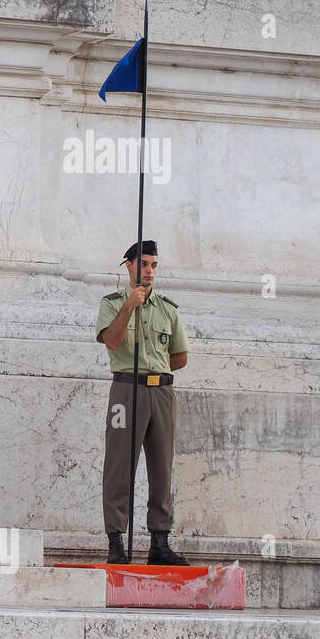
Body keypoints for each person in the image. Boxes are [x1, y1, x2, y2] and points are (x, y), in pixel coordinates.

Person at [95, 239, 190, 565]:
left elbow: (179, 356)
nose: (149, 271)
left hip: (160, 392)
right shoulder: (112, 304)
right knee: (119, 465)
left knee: (161, 466)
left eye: (153, 265)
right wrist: (128, 307)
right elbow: (111, 341)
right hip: (126, 391)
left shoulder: (168, 309)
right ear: (130, 266)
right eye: (144, 264)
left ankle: (159, 543)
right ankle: (116, 542)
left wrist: (156, 371)